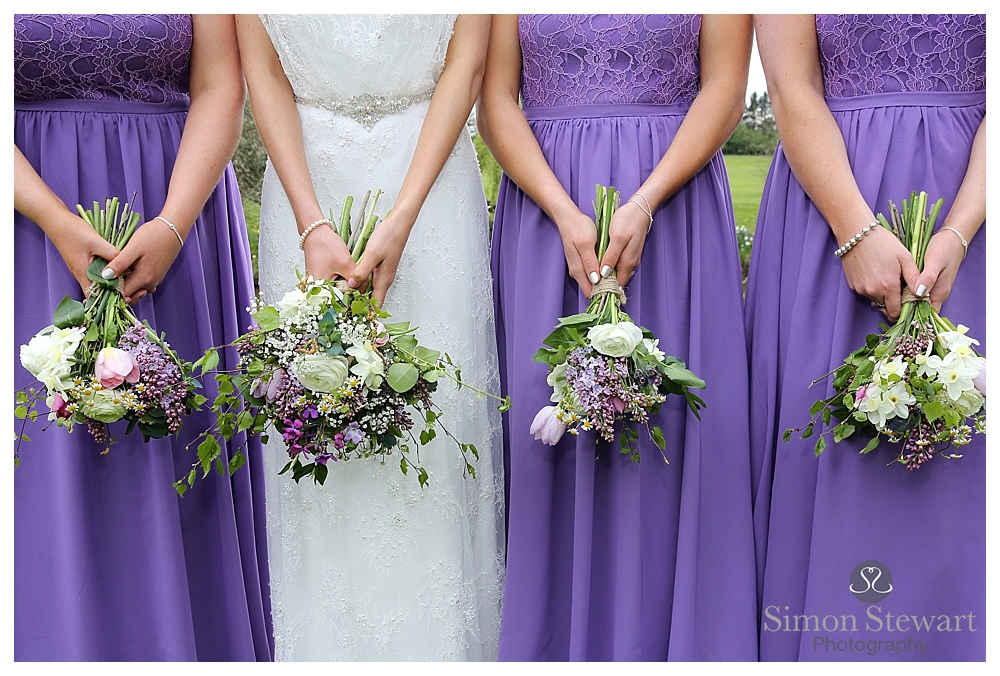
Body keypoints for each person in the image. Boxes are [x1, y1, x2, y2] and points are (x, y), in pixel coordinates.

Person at [479, 14, 758, 660]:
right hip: (547, 211)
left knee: (675, 439)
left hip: (673, 205)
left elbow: (724, 85)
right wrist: (560, 209)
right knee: (543, 438)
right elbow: (496, 99)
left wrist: (646, 200)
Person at [236, 14, 505, 660]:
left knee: (438, 430)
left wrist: (405, 212)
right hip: (306, 188)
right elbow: (263, 72)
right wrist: (311, 222)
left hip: (433, 191)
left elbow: (466, 66)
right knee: (314, 425)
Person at [14, 14, 272, 661]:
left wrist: (173, 225)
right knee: (43, 450)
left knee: (178, 441)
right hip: (26, 217)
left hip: (174, 209)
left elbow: (219, 83)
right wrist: (52, 219)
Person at [747, 14, 985, 661]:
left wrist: (960, 231)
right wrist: (854, 230)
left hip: (974, 201)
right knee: (830, 451)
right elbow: (790, 81)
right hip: (830, 201)